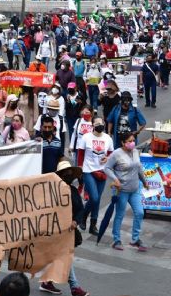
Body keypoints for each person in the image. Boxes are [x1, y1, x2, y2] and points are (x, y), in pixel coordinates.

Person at [39, 159, 89, 296]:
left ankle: (47, 282)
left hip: (69, 231)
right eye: (65, 173)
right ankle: (75, 287)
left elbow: (80, 209)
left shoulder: (73, 191)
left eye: (69, 173)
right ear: (59, 175)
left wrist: (75, 221)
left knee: (59, 256)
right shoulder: (51, 191)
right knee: (64, 256)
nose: (68, 175)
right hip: (54, 231)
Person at [105, 132, 149, 251]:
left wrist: (144, 182)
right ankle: (116, 240)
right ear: (123, 143)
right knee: (120, 214)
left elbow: (138, 168)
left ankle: (135, 239)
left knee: (139, 213)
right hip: (121, 190)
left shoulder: (135, 151)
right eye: (129, 141)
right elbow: (107, 168)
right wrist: (115, 179)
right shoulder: (116, 154)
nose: (132, 143)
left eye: (133, 140)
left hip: (135, 189)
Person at [77, 116, 112, 234]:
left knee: (96, 199)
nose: (100, 125)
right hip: (88, 170)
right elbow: (81, 153)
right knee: (95, 197)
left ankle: (93, 225)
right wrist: (80, 167)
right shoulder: (86, 137)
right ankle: (83, 216)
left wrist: (107, 158)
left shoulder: (108, 138)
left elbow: (111, 153)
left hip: (102, 171)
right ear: (93, 125)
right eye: (97, 123)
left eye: (102, 123)